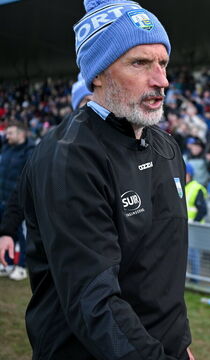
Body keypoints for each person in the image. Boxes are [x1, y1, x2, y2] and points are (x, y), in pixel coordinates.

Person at [19, 1, 194, 358]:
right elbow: (93, 300)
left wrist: (180, 346)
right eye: (140, 63)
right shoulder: (69, 156)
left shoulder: (166, 147)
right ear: (97, 74)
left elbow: (162, 278)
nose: (162, 80)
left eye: (162, 63)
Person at [0, 121, 34, 280]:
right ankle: (6, 263)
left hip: (18, 203)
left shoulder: (31, 152)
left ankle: (21, 266)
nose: (7, 136)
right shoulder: (6, 148)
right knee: (6, 232)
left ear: (21, 134)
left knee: (22, 235)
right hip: (3, 199)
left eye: (10, 133)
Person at [185, 163, 207, 282]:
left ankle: (195, 280)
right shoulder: (181, 186)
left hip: (194, 227)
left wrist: (194, 222)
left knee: (193, 255)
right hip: (184, 227)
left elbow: (203, 210)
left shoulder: (196, 188)